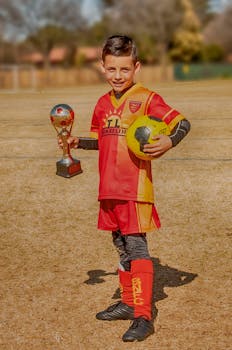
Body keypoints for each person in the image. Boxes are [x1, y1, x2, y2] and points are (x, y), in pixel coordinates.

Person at [59, 35, 191, 342]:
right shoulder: (102, 103)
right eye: (112, 69)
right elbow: (103, 140)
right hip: (108, 189)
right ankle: (129, 303)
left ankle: (143, 316)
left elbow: (182, 123)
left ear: (137, 67)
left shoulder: (147, 98)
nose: (118, 76)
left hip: (134, 189)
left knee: (136, 247)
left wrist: (170, 140)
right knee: (120, 245)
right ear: (102, 68)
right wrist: (79, 143)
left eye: (125, 69)